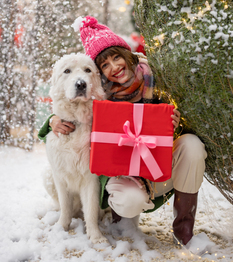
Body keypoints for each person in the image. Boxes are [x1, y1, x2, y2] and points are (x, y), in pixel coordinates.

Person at [38, 16, 207, 252]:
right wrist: (52, 121)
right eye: (105, 64)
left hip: (160, 167)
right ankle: (122, 218)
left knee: (192, 145)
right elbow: (75, 110)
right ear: (101, 73)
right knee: (126, 201)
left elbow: (186, 117)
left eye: (117, 57)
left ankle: (184, 229)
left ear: (127, 54)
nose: (114, 67)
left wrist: (176, 122)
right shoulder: (104, 93)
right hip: (130, 175)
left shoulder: (157, 77)